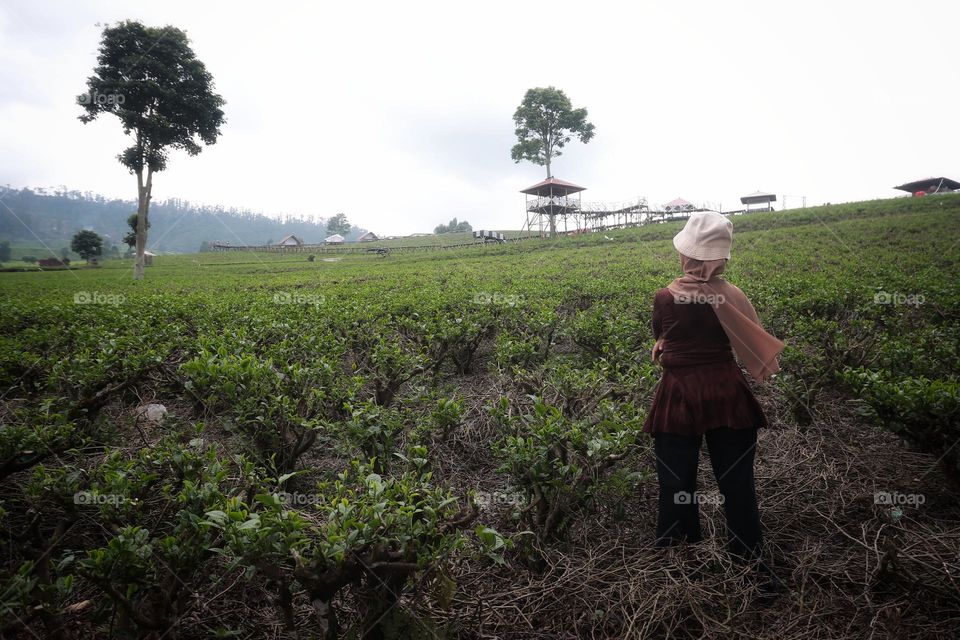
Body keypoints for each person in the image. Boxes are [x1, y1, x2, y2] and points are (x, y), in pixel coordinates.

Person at [644, 211, 785, 578]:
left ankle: (680, 562)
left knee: (677, 482)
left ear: (687, 256)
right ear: (720, 258)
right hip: (728, 396)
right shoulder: (734, 296)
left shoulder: (665, 297)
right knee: (737, 484)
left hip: (679, 398)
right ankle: (750, 564)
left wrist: (662, 345)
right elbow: (749, 337)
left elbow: (664, 336)